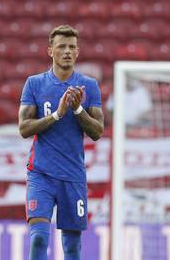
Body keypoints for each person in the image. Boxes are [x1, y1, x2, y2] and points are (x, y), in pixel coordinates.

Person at [18, 25, 104, 260]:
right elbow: (24, 128)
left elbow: (97, 131)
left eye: (72, 47)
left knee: (73, 247)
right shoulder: (34, 84)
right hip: (41, 174)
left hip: (73, 176)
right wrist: (56, 114)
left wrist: (77, 109)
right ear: (50, 51)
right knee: (38, 239)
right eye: (62, 47)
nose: (67, 51)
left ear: (78, 52)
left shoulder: (89, 86)